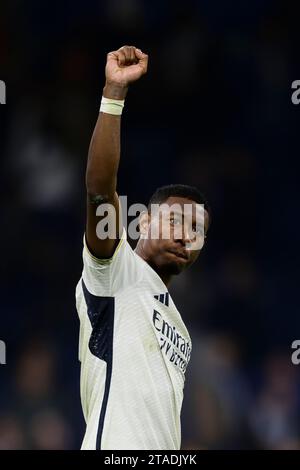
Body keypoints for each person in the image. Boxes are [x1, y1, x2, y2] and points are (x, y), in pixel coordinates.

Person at [75, 45, 210, 450]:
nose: (187, 235)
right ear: (143, 222)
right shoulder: (116, 272)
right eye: (176, 220)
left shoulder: (180, 328)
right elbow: (100, 191)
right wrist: (113, 93)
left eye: (198, 230)